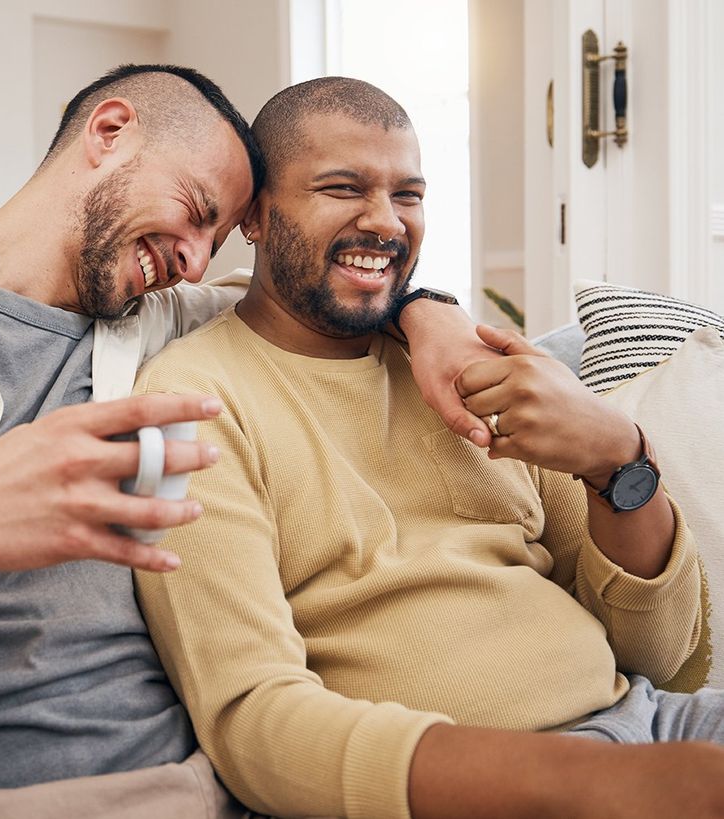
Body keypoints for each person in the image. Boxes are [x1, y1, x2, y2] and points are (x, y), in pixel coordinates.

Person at [0, 66, 491, 818]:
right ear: (110, 132)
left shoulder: (177, 320)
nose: (196, 260)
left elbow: (324, 285)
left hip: (203, 786)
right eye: (196, 210)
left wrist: (430, 313)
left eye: (217, 236)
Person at [133, 76, 724, 819]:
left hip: (657, 725)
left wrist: (618, 459)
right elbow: (256, 725)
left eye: (408, 195)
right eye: (343, 187)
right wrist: (583, 780)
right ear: (254, 213)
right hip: (487, 789)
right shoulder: (192, 399)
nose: (385, 222)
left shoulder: (467, 366)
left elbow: (660, 654)